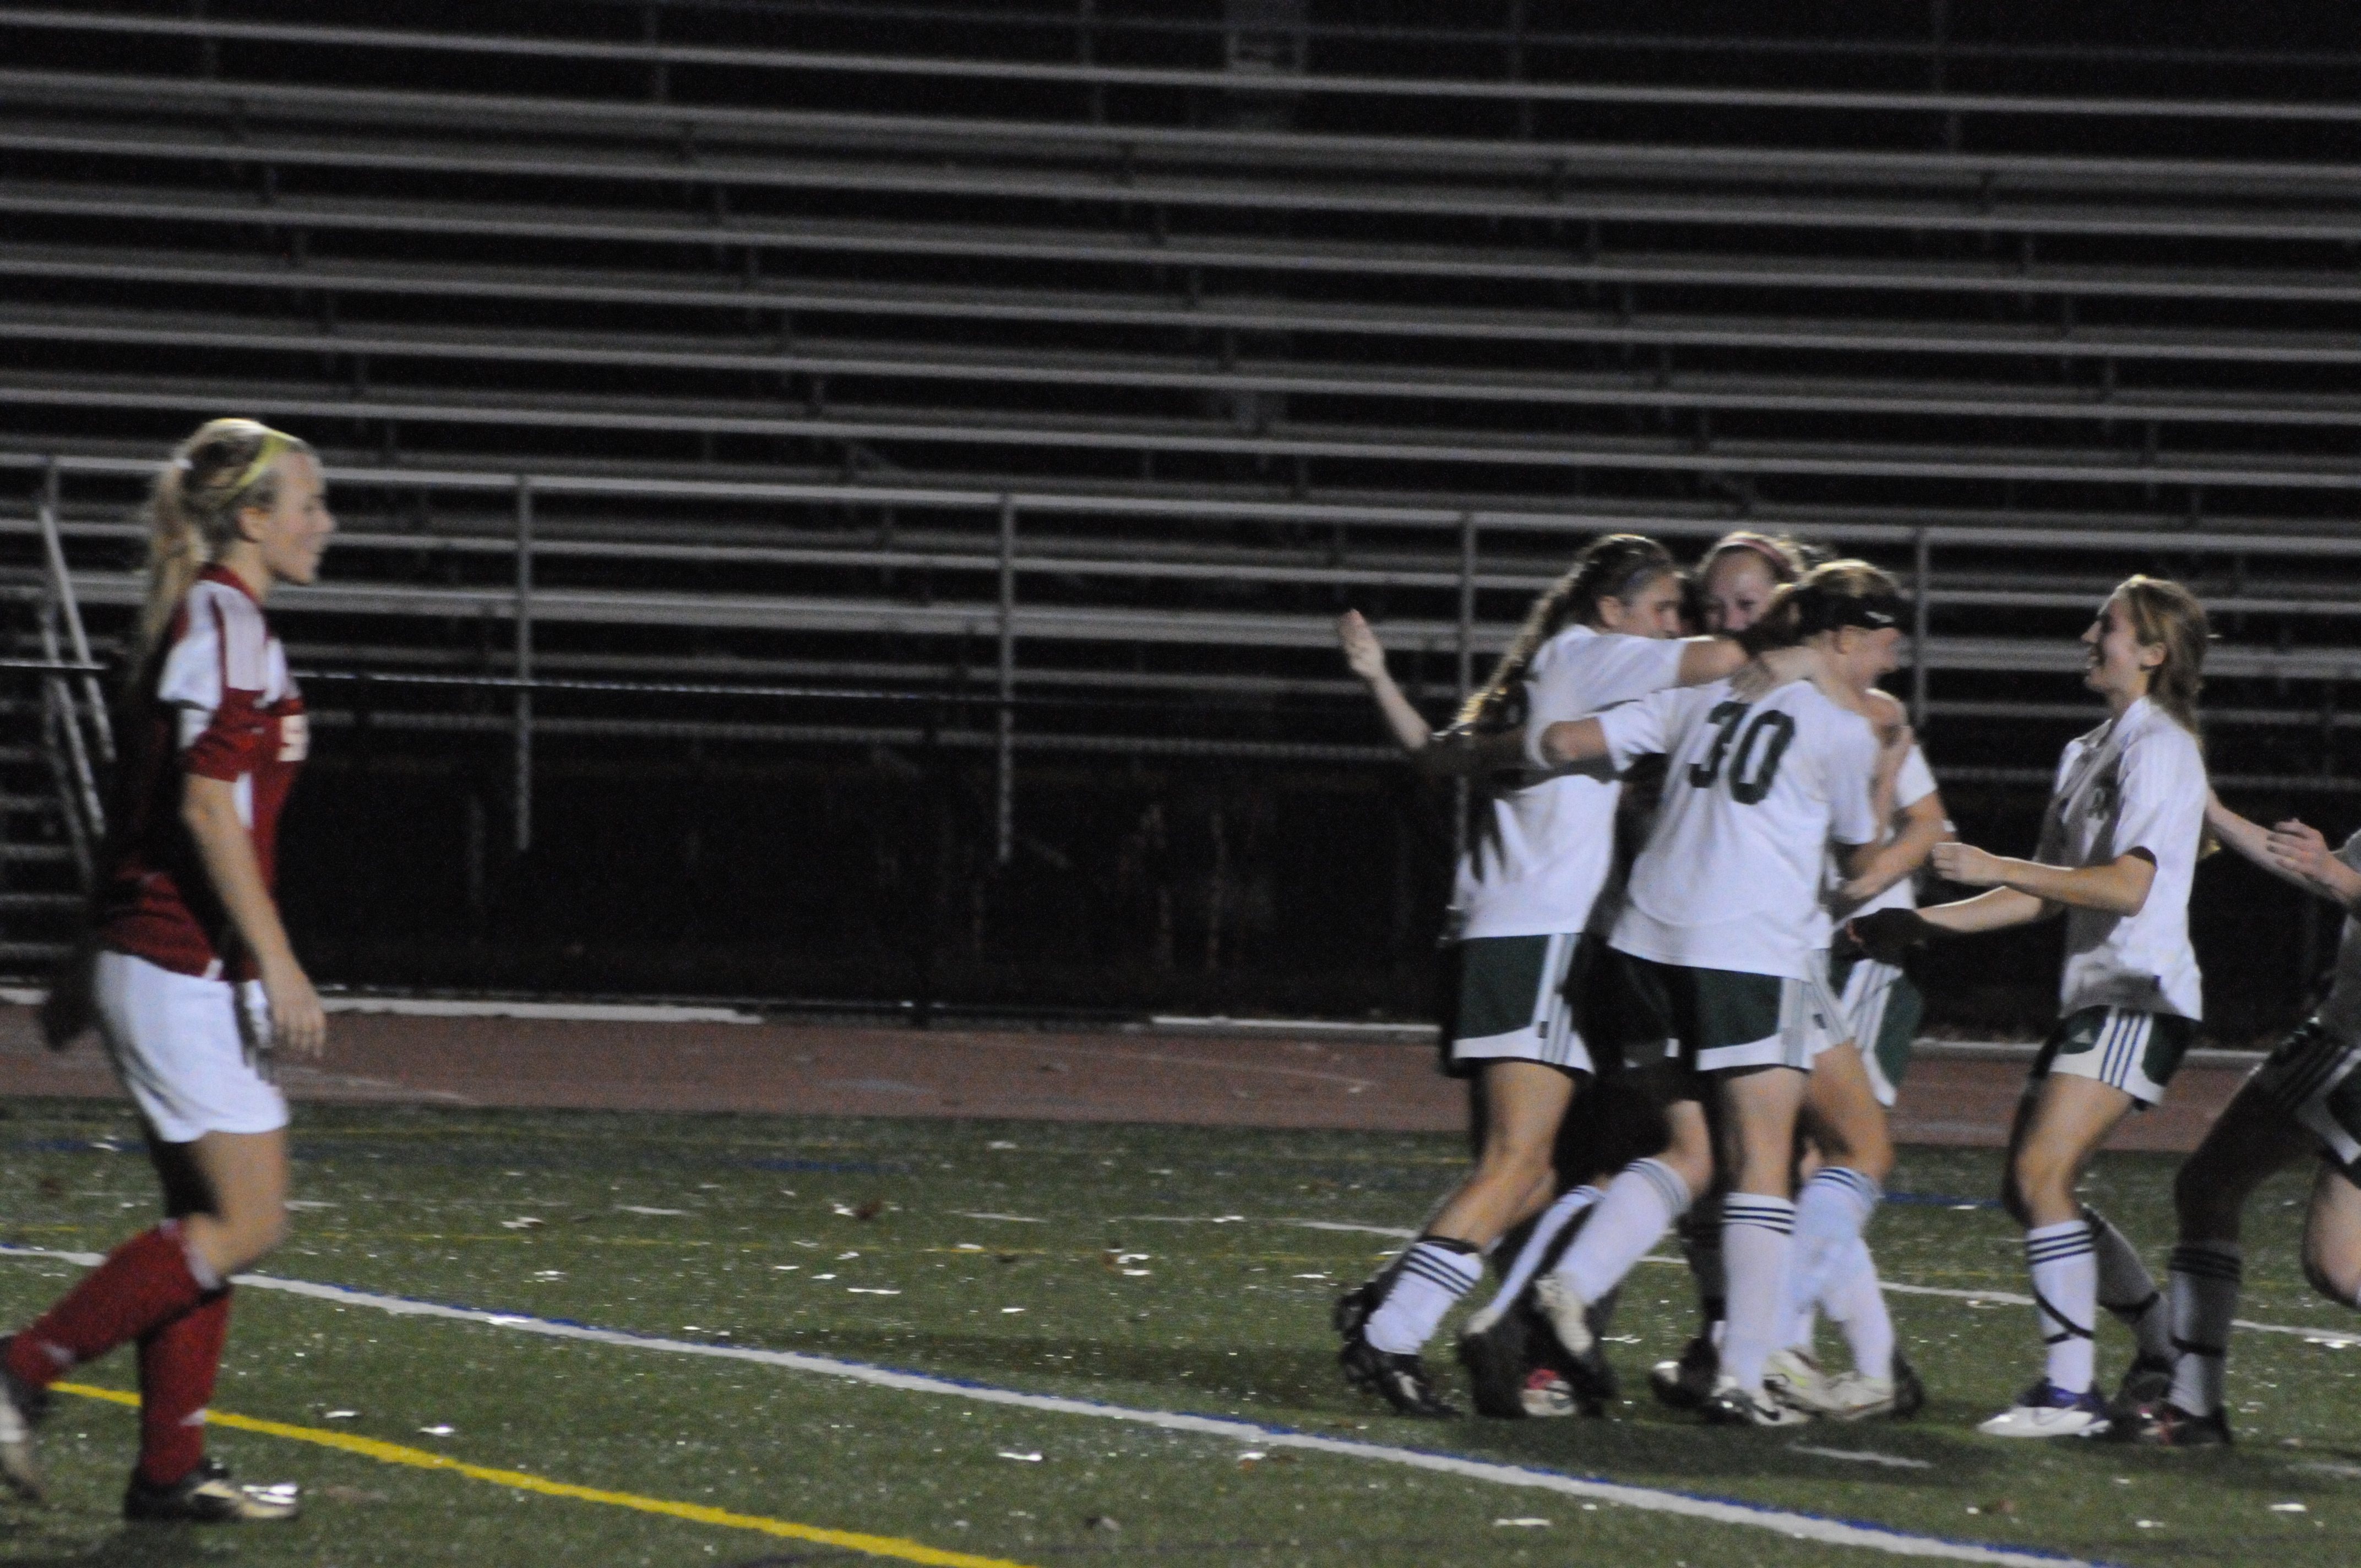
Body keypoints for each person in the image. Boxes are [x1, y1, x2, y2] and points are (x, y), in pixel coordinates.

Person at [0, 418, 334, 1520]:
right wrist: (277, 958)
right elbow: (199, 808)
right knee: (249, 1218)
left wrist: (81, 950)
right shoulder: (229, 621)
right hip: (181, 961)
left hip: (162, 959)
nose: (324, 525)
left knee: (205, 1218)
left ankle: (169, 1469)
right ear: (253, 519)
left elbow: (136, 808)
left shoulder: (206, 618)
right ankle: (19, 1370)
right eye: (308, 505)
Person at [1331, 534, 1745, 1417]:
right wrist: (1793, 632)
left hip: (1500, 938)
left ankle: (1399, 1306)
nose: (1674, 626)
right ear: (1611, 609)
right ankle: (1389, 1332)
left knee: (1535, 1172)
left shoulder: (1555, 668)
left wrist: (1377, 680)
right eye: (1663, 608)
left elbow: (1434, 755)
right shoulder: (1591, 654)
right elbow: (1723, 658)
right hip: (1538, 940)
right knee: (1517, 1163)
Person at [1526, 561, 1905, 1425]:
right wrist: (1885, 761)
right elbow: (1860, 857)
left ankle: (1578, 1278)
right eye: (1883, 645)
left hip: (1643, 948)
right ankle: (1743, 1374)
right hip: (1747, 953)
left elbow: (1561, 743)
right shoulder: (1845, 726)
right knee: (1766, 1167)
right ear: (1843, 637)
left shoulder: (1705, 692)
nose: (1889, 663)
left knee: (1692, 1148)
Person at [1856, 575, 2211, 1438]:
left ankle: (2069, 1394)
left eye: (2109, 626)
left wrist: (1995, 864)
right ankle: (2161, 1346)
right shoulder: (2087, 749)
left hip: (2139, 994)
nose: (2090, 635)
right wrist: (1923, 924)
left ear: (2153, 652)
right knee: (2029, 1191)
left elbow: (2127, 888)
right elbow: (2046, 896)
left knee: (2040, 1179)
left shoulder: (2161, 747)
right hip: (2096, 998)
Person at [2100, 794, 2361, 1445]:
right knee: (2336, 1266)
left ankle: (2194, 1408)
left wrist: (2335, 873)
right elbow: (2320, 872)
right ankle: (2196, 1410)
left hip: (2348, 1055)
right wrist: (2210, 811)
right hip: (2339, 1045)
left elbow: (2335, 877)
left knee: (2212, 1187)